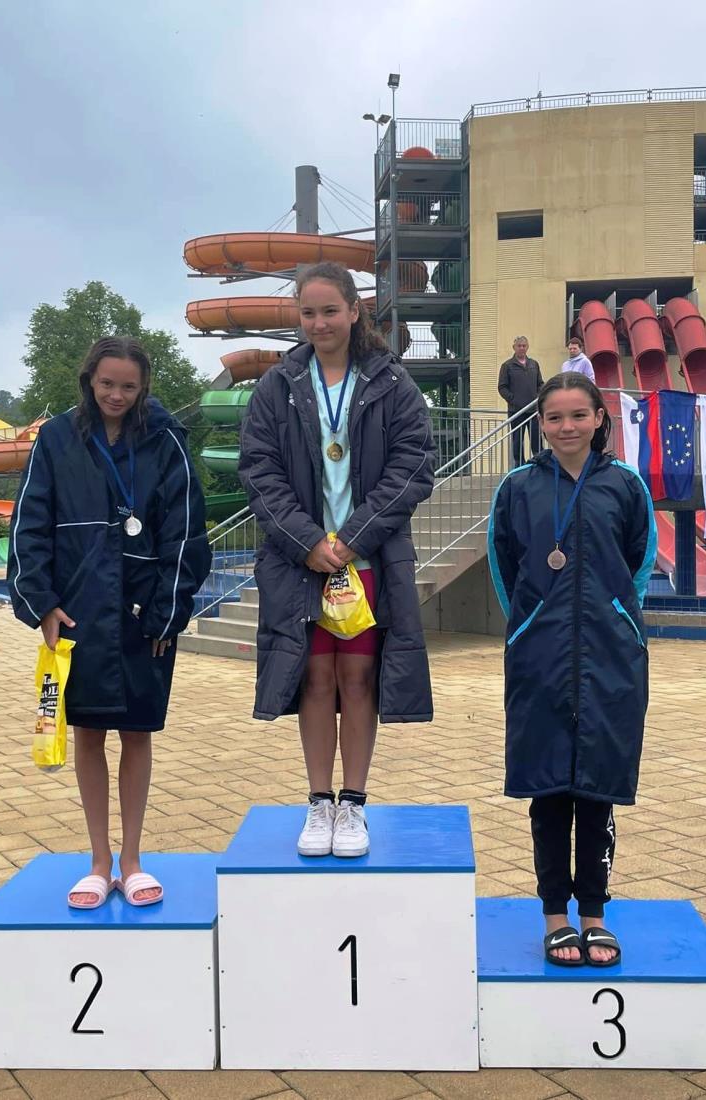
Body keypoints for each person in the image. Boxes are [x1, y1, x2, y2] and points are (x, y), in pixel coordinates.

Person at [239, 261, 436, 858]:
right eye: (308, 312)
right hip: (301, 562)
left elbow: (413, 464)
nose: (319, 322)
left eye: (330, 310)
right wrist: (308, 541)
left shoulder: (392, 382)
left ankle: (354, 802)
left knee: (358, 677)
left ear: (354, 311)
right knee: (315, 678)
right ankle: (318, 800)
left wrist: (352, 537)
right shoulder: (277, 386)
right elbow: (259, 471)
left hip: (366, 560)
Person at [9, 336, 211, 909]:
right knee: (89, 734)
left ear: (143, 386)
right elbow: (30, 522)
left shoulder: (166, 440)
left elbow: (186, 532)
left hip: (146, 613)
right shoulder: (55, 438)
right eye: (106, 384)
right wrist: (41, 603)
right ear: (89, 381)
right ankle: (99, 861)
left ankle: (134, 859)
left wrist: (169, 612)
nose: (116, 395)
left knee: (137, 733)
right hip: (80, 609)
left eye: (128, 386)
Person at [487, 373, 656, 966]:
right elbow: (504, 565)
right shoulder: (518, 487)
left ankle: (595, 914)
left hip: (610, 656)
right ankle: (556, 915)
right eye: (555, 417)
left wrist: (619, 619)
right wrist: (530, 624)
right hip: (541, 655)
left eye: (578, 415)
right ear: (540, 423)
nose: (567, 427)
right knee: (549, 788)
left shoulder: (625, 484)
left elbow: (639, 562)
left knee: (597, 789)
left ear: (599, 419)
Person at [498, 336, 543, 466]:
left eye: (524, 346)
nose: (522, 348)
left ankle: (540, 463)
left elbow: (540, 384)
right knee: (517, 441)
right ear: (514, 347)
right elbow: (502, 387)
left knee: (536, 439)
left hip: (533, 411)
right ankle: (520, 465)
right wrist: (513, 399)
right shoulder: (507, 365)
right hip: (516, 411)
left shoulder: (534, 364)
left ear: (527, 347)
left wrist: (538, 397)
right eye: (519, 346)